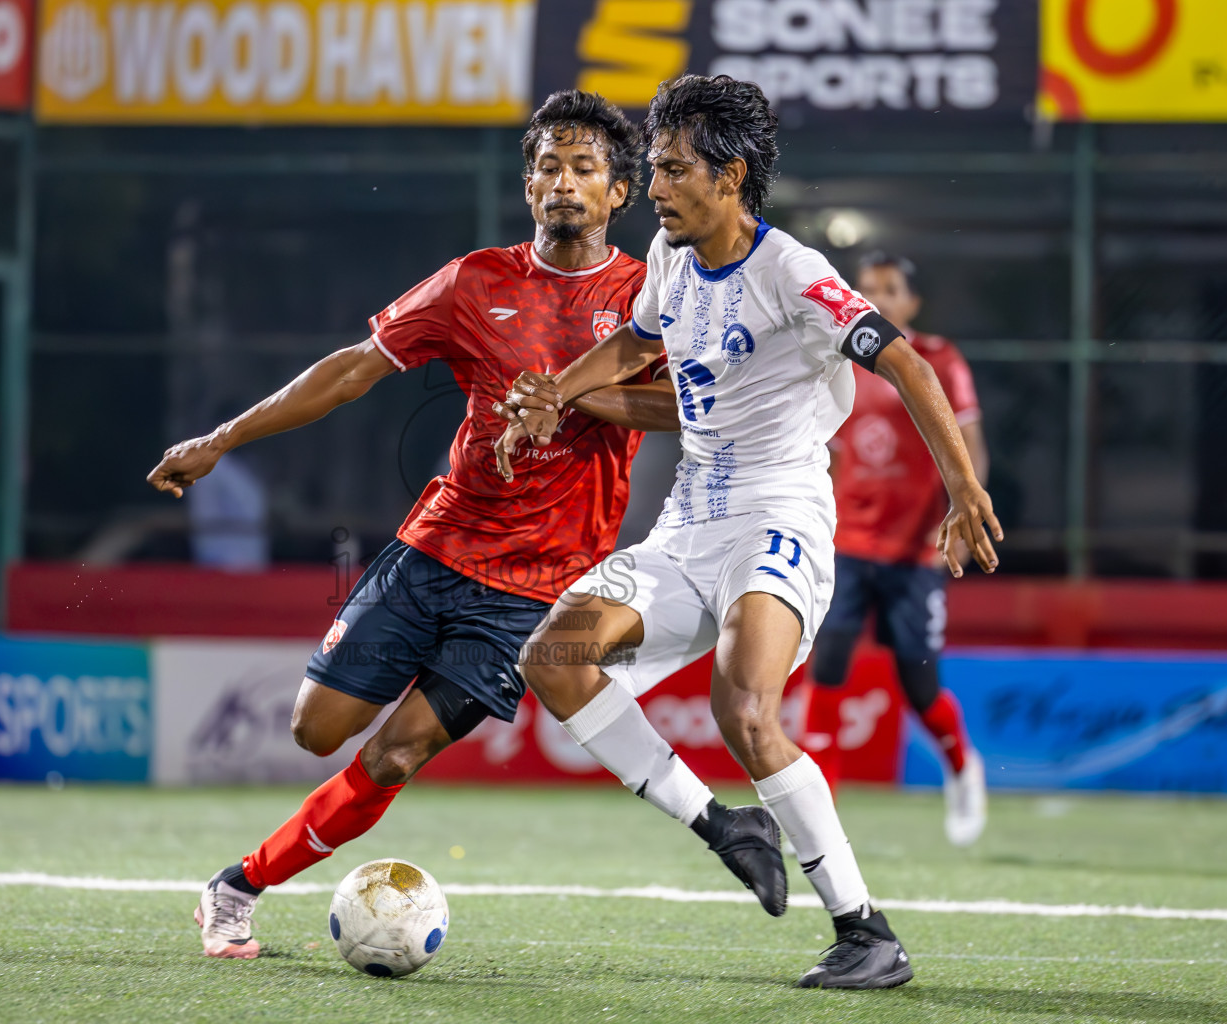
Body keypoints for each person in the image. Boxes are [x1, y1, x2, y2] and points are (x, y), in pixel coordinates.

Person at [145, 90, 789, 961]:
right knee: (315, 729)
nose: (563, 183)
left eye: (584, 169)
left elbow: (693, 402)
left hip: (534, 592)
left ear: (618, 195)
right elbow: (349, 373)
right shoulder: (475, 281)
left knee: (398, 755)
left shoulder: (653, 291)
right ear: (528, 186)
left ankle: (239, 885)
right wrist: (221, 440)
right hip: (434, 549)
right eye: (547, 168)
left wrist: (575, 394)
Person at [502, 75, 1002, 990]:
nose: (652, 186)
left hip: (780, 516)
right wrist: (556, 389)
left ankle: (865, 931)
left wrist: (962, 489)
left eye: (671, 169)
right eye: (651, 168)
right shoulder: (669, 254)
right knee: (554, 657)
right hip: (688, 520)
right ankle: (724, 825)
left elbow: (902, 362)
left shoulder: (793, 272)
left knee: (744, 709)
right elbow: (633, 344)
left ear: (729, 177)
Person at [803, 251, 989, 846]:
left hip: (915, 551)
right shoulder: (836, 360)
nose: (876, 298)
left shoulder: (937, 360)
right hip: (845, 546)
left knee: (919, 685)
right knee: (825, 666)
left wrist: (963, 514)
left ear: (911, 302)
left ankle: (962, 767)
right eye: (865, 288)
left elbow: (970, 449)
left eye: (889, 289)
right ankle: (819, 817)